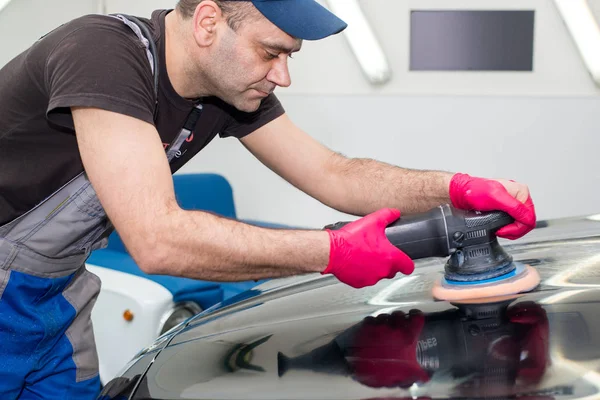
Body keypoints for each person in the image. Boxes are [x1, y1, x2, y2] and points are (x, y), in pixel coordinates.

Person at [0, 0, 536, 398]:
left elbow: (336, 175)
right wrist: (331, 253)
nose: (283, 75)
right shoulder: (104, 53)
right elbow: (156, 239)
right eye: (271, 52)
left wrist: (458, 189)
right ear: (209, 23)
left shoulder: (223, 91)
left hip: (55, 298)